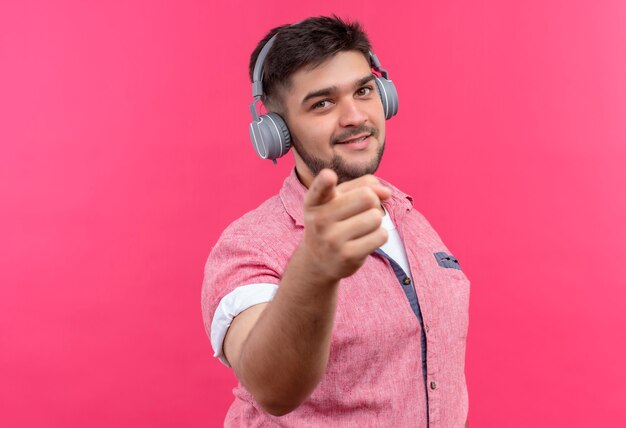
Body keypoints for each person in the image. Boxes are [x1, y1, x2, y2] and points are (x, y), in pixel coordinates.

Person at [202, 16, 470, 427]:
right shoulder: (248, 246)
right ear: (277, 131)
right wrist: (314, 268)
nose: (353, 116)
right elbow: (271, 387)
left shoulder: (410, 218)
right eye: (322, 103)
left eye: (363, 91)